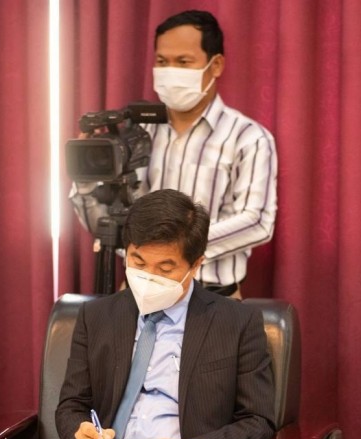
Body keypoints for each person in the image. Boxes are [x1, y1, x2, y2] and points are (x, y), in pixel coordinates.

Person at [28, 189, 276, 439]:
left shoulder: (236, 322)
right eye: (138, 262)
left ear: (196, 264)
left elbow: (258, 421)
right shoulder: (97, 317)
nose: (148, 277)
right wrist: (79, 435)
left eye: (165, 268)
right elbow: (72, 404)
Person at [70, 10, 278, 298]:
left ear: (216, 65)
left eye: (183, 62)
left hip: (214, 297)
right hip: (138, 293)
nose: (170, 70)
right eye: (162, 61)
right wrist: (85, 184)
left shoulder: (247, 137)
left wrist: (173, 247)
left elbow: (257, 222)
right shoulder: (134, 134)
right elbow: (105, 224)